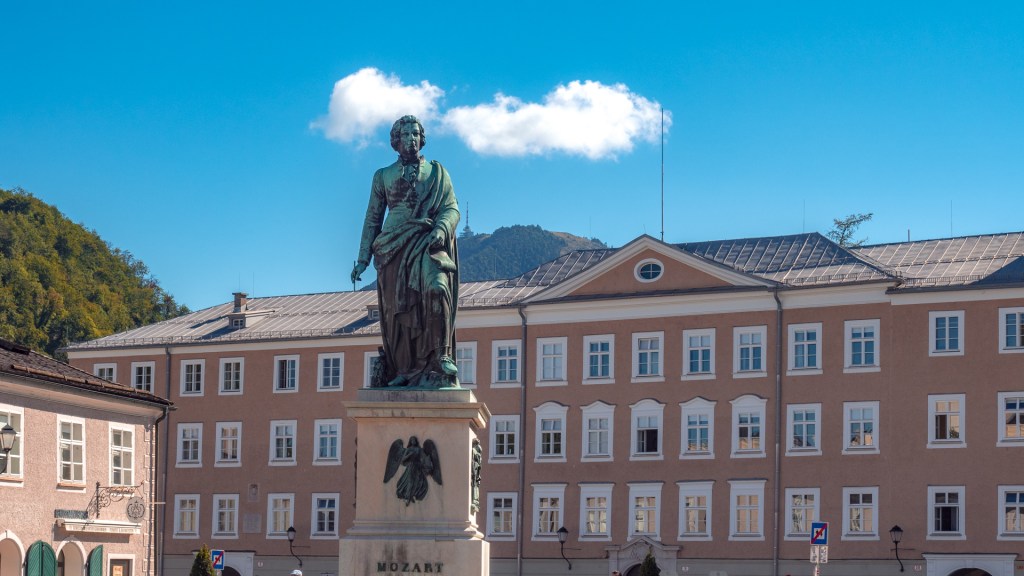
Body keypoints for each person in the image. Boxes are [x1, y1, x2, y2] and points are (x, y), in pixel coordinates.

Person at [351, 115, 460, 389]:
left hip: (427, 241)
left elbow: (451, 208)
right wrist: (363, 258)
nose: (411, 139)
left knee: (437, 289)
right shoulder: (383, 175)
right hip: (391, 248)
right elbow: (372, 217)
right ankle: (405, 368)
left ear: (422, 139)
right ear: (395, 142)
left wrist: (442, 229)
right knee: (396, 312)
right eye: (405, 135)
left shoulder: (438, 173)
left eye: (415, 134)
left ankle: (440, 356)